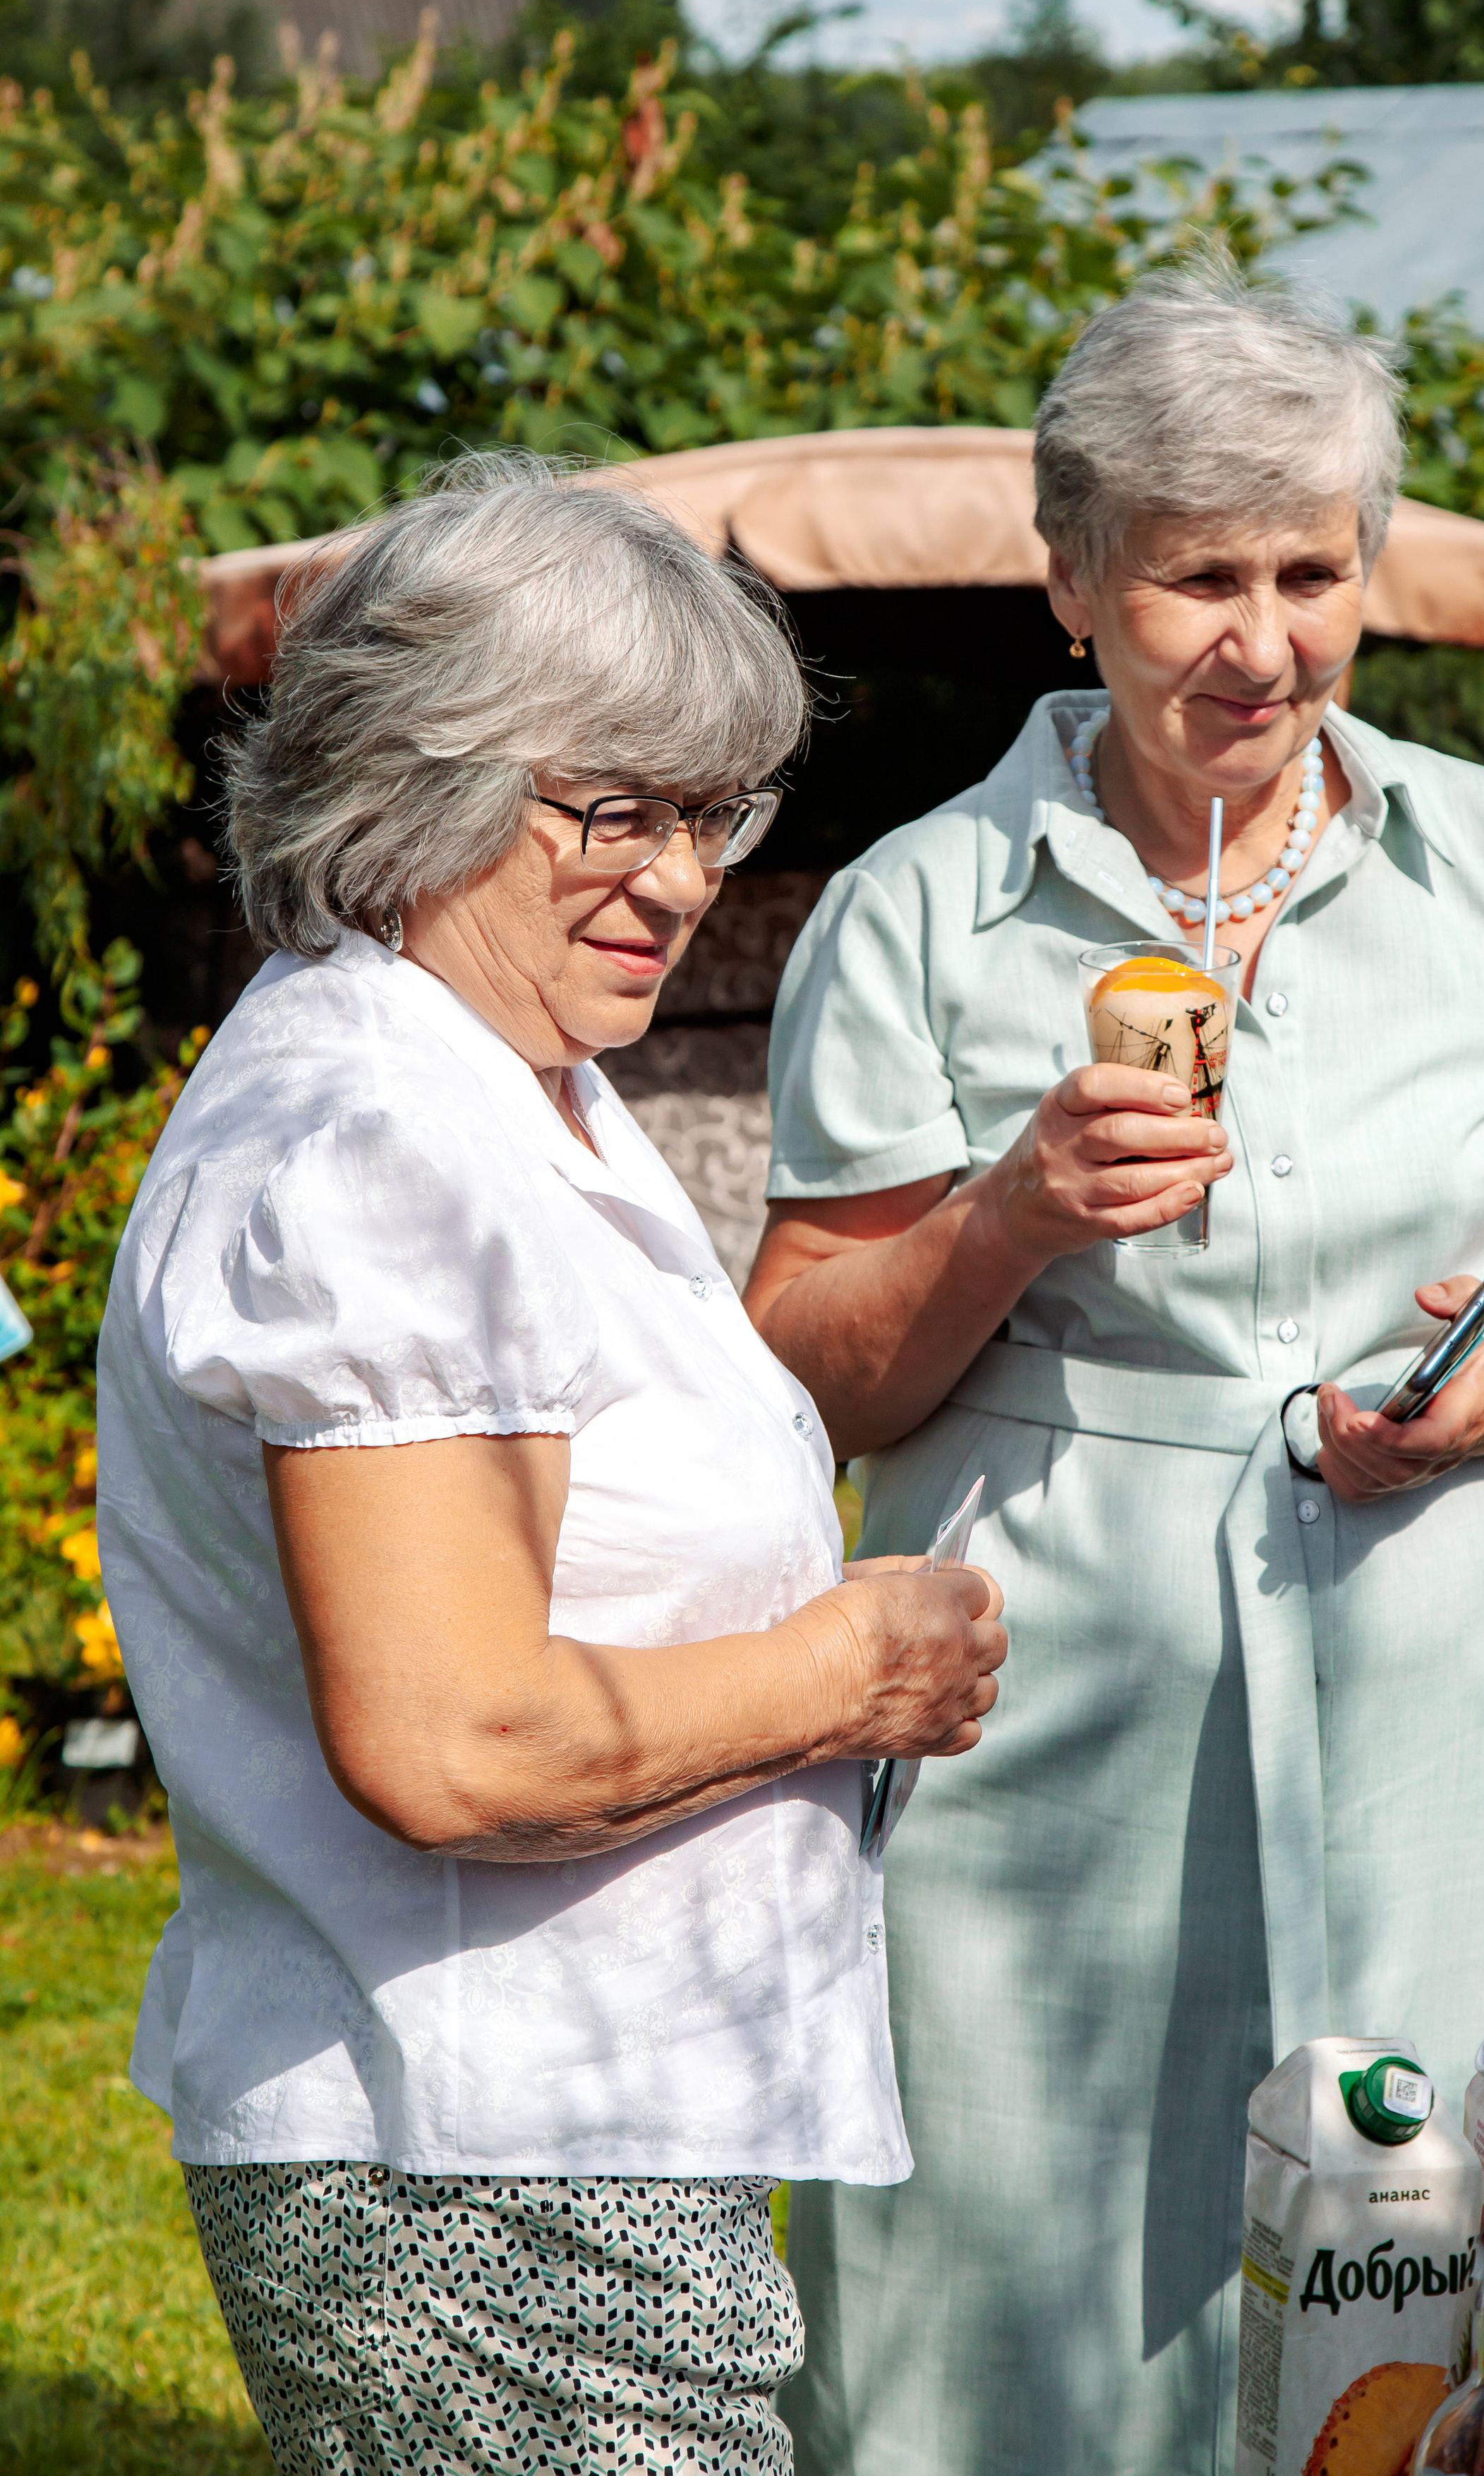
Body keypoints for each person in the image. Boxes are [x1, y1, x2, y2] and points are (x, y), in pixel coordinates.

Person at [746, 257, 1484, 2476]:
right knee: (1024, 2232)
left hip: (1440, 1648)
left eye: (1313, 569)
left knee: (1452, 2219)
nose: (1264, 640)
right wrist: (1010, 1213)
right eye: (1199, 577)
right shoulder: (916, 907)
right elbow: (809, 1364)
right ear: (1073, 582)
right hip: (1059, 1672)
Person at [96, 454, 1006, 2476]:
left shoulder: (505, 1079)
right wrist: (854, 1673)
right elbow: (460, 1741)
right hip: (481, 2158)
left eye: (714, 812)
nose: (683, 878)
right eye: (619, 809)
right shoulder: (388, 1152)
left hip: (554, 2127)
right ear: (416, 776)